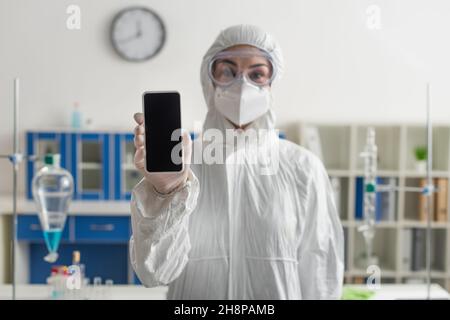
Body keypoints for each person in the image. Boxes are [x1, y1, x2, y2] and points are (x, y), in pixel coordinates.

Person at [129, 24, 344, 299]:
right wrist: (165, 193)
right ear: (210, 80)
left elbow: (320, 273)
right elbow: (155, 274)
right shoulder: (182, 162)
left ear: (271, 83)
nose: (243, 84)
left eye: (257, 74)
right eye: (228, 71)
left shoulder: (303, 168)